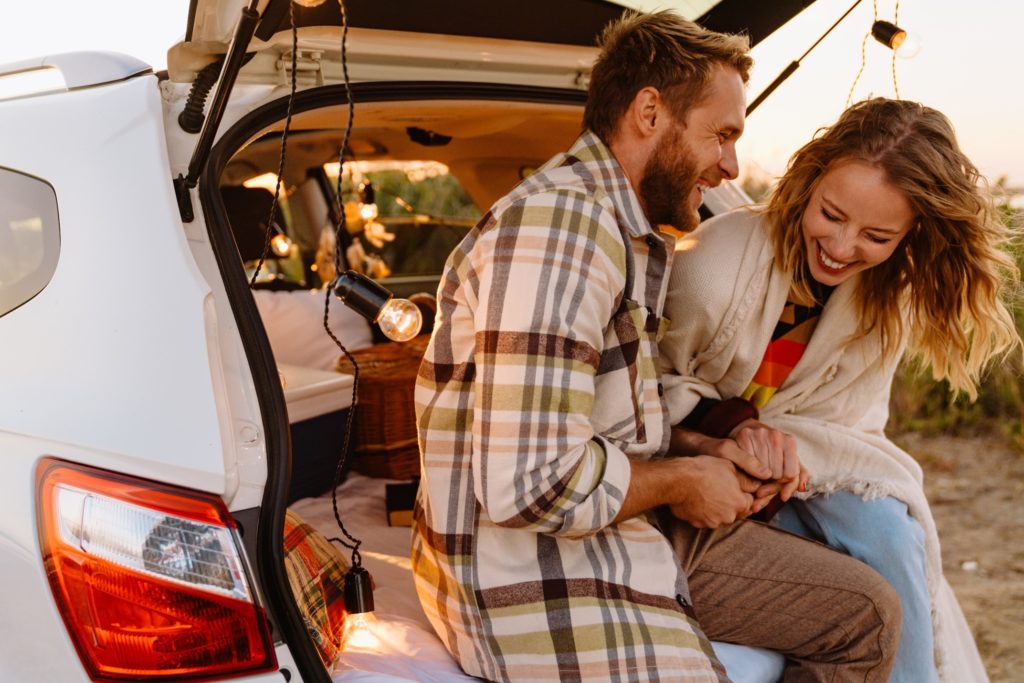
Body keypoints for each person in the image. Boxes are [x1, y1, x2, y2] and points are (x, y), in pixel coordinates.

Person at [411, 11, 901, 682]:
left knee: (869, 606)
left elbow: (597, 426)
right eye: (722, 135)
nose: (730, 163)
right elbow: (529, 485)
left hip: (602, 530)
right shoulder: (565, 233)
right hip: (533, 574)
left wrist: (708, 450)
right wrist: (683, 481)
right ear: (649, 112)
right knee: (862, 620)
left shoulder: (614, 229)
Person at [659, 97, 1020, 683]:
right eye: (831, 214)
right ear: (810, 179)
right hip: (696, 466)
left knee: (890, 529)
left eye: (877, 235)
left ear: (911, 235)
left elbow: (847, 432)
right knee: (881, 560)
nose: (843, 247)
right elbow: (643, 394)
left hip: (803, 478)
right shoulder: (713, 265)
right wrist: (736, 431)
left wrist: (781, 452)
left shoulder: (885, 301)